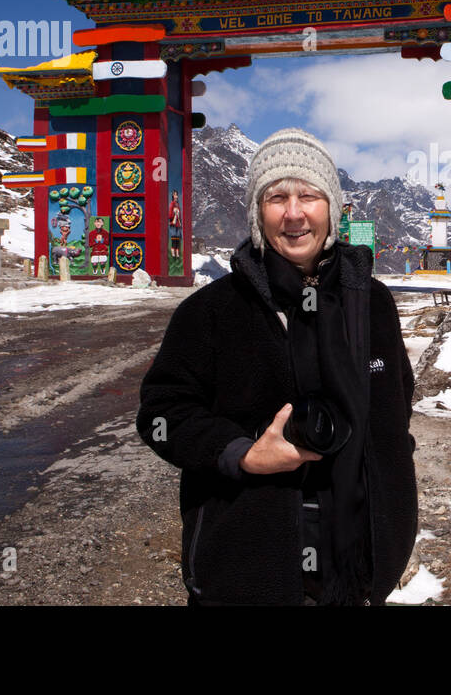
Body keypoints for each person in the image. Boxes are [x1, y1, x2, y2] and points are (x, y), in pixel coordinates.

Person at [136, 128, 418, 605]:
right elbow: (162, 414)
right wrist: (241, 452)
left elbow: (397, 405)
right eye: (276, 197)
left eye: (309, 195)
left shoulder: (372, 302)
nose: (294, 213)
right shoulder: (211, 310)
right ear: (256, 212)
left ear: (331, 207)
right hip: (249, 564)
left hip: (360, 562)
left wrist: (393, 510)